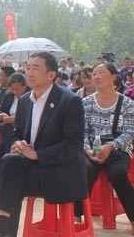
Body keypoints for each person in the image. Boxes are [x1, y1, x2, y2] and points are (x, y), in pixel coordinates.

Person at [0, 52, 86, 237]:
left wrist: (38, 155)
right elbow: (17, 132)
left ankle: (1, 231)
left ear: (51, 75)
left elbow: (73, 145)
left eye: (35, 68)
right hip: (33, 170)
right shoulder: (25, 100)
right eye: (27, 68)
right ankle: (2, 231)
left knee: (9, 177)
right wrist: (17, 143)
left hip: (59, 170)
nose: (29, 73)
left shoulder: (69, 101)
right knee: (8, 164)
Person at [73, 62, 134, 232]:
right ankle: (76, 216)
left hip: (118, 150)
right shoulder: (85, 103)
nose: (96, 77)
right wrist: (87, 149)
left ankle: (133, 218)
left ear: (114, 77)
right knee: (85, 170)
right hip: (92, 150)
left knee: (117, 173)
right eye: (94, 74)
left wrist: (110, 147)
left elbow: (129, 133)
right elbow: (82, 132)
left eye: (101, 73)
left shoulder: (127, 103)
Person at [0, 72, 28, 159]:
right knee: (5, 128)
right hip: (9, 126)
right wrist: (1, 115)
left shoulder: (29, 97)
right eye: (13, 89)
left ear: (25, 86)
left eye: (18, 89)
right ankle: (8, 155)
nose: (15, 92)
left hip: (24, 127)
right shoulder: (8, 95)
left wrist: (16, 120)